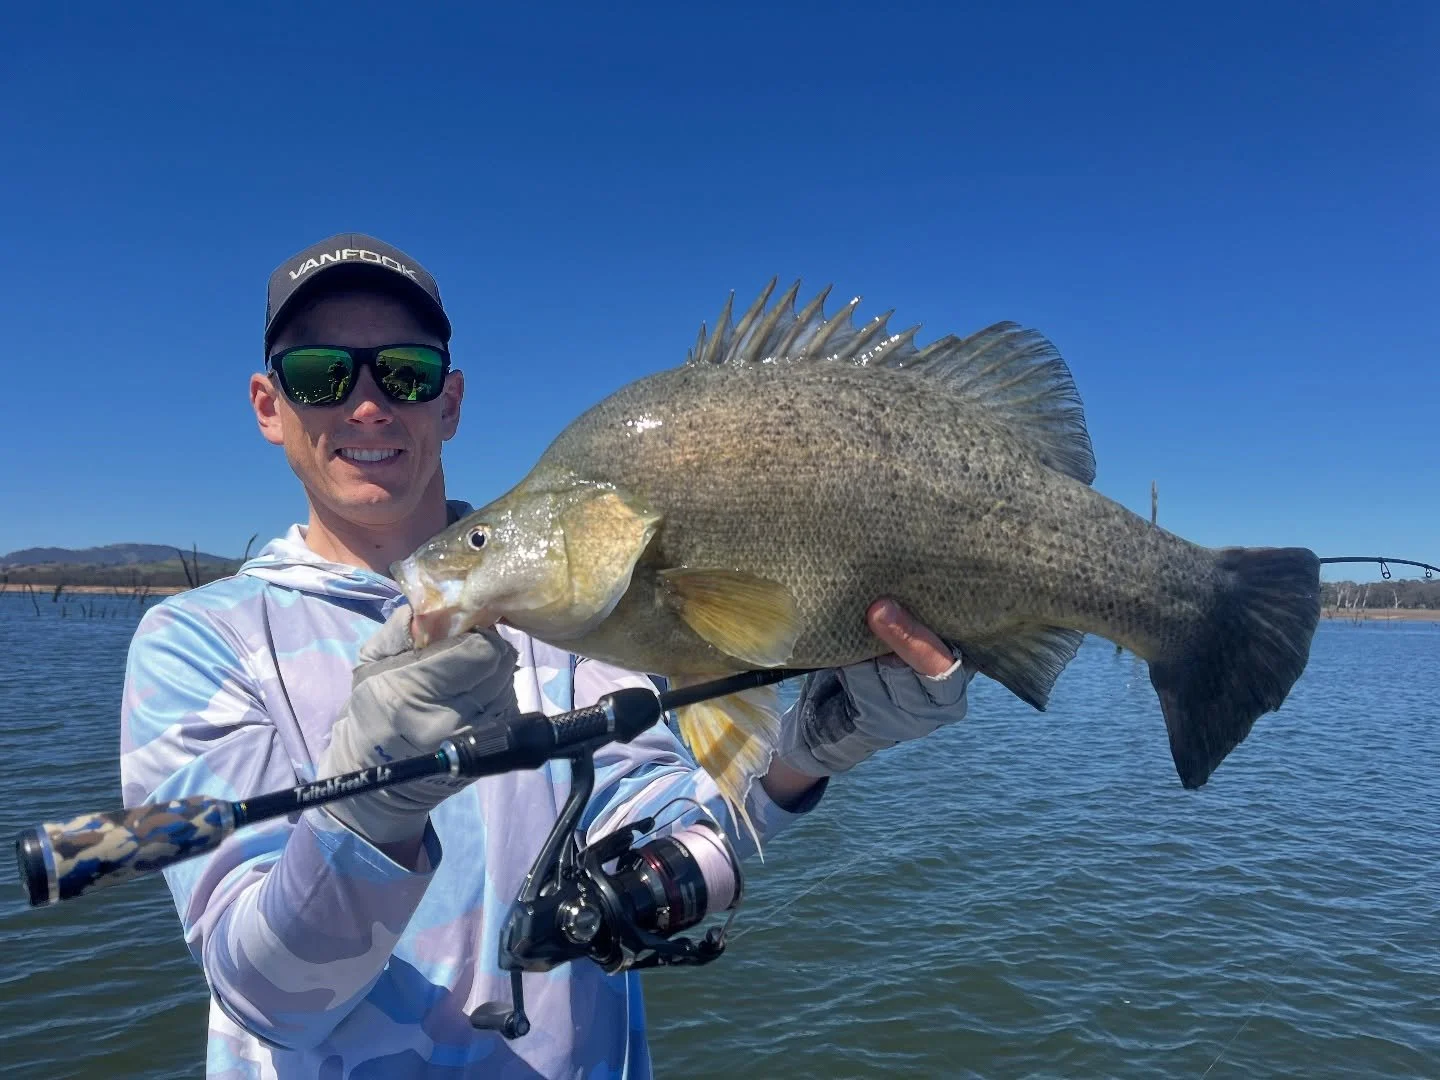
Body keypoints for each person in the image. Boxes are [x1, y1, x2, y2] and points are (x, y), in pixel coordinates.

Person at [119, 233, 976, 1078]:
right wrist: (374, 806)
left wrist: (818, 744)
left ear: (449, 401)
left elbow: (679, 837)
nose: (368, 403)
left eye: (406, 372)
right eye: (321, 375)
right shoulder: (198, 643)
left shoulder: (567, 612)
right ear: (270, 405)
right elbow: (264, 997)